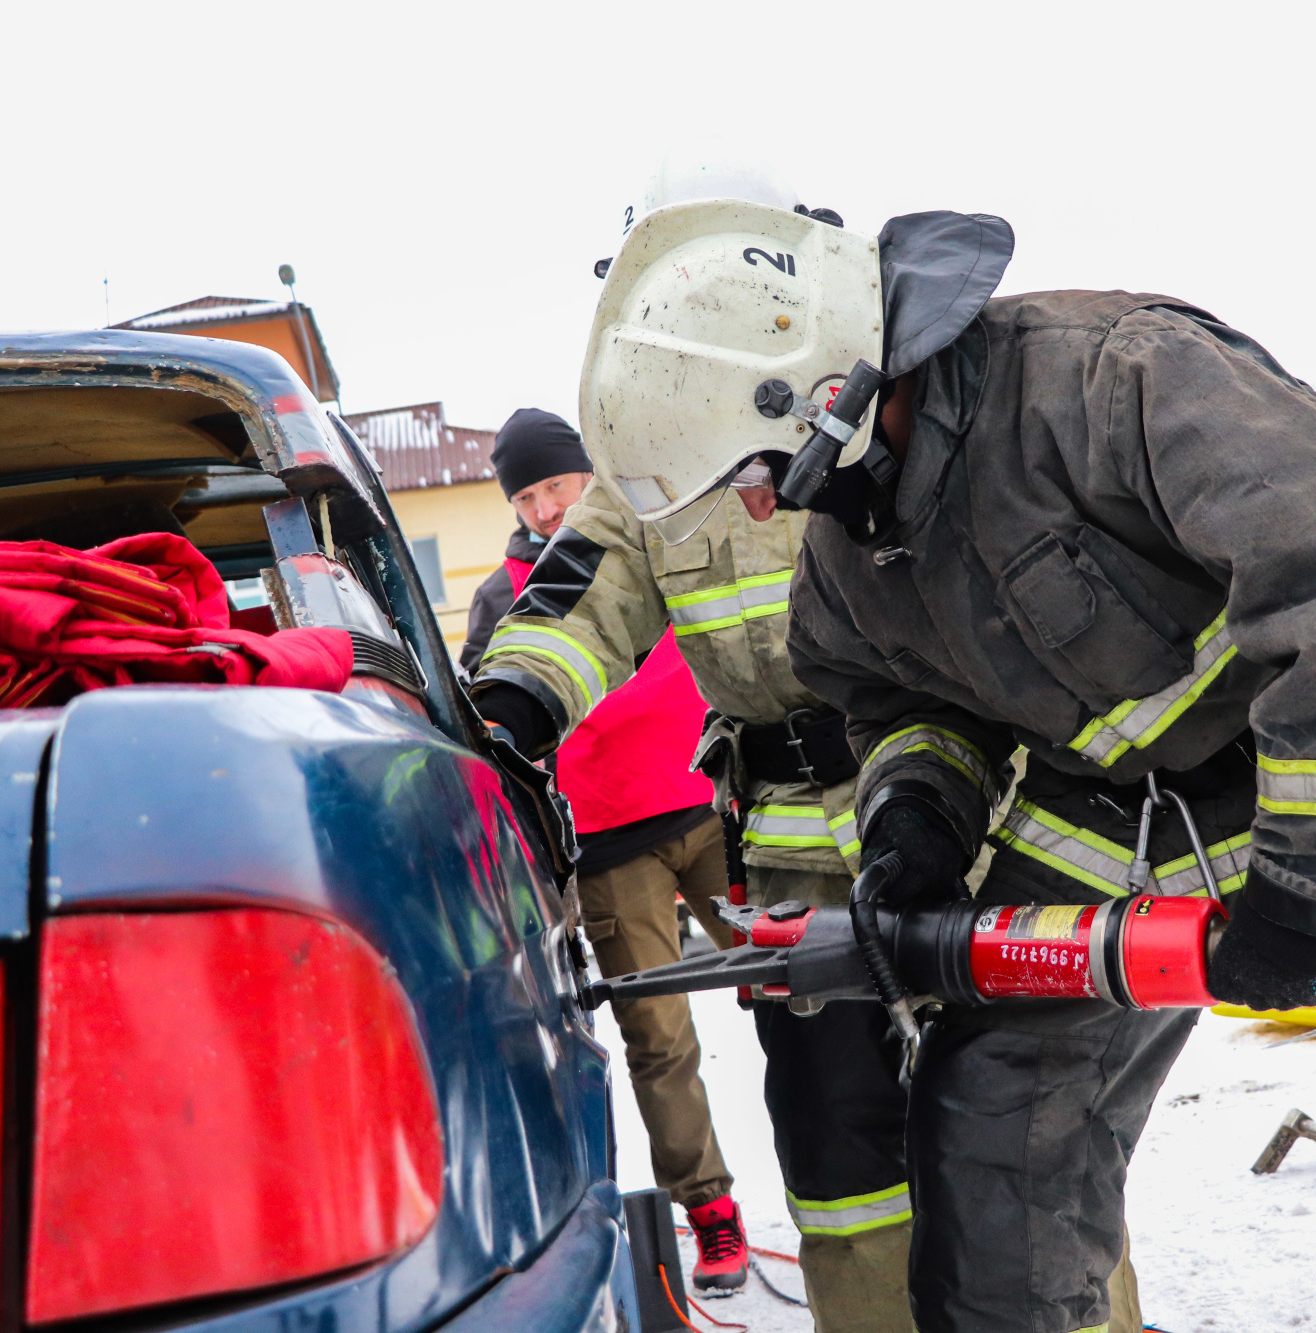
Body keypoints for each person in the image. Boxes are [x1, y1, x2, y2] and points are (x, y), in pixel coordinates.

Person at [579, 199, 1316, 1333]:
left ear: (821, 389)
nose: (755, 501)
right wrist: (914, 812)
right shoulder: (851, 551)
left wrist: (1311, 890)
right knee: (997, 1151)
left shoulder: (1107, 376)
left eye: (753, 463)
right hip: (1102, 833)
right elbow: (888, 696)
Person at [466, 165, 938, 1333]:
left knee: (1018, 1130)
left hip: (958, 826)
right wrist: (508, 719)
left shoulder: (895, 395)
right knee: (838, 1153)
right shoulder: (650, 462)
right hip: (791, 860)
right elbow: (577, 595)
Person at [464, 408, 753, 1292]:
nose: (548, 507)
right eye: (528, 494)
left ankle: (867, 1157)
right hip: (609, 846)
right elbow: (493, 726)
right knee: (658, 1038)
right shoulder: (499, 596)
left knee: (800, 991)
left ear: (588, 476)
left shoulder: (659, 537)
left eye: (557, 484)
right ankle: (709, 1210)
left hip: (713, 809)